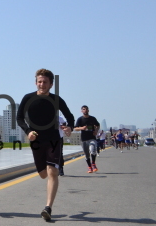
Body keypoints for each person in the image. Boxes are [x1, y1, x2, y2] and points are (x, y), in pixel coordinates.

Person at [17, 68, 74, 222]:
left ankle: (48, 207)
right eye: (39, 81)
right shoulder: (28, 98)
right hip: (36, 140)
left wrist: (70, 127)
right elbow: (19, 118)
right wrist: (28, 131)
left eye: (45, 82)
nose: (41, 84)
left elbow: (70, 117)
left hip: (53, 139)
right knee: (43, 174)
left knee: (52, 172)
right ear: (36, 82)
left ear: (51, 84)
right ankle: (48, 203)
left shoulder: (57, 99)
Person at [74, 105, 100, 173]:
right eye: (83, 109)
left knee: (92, 150)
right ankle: (89, 167)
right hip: (84, 139)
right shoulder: (80, 119)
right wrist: (81, 128)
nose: (85, 110)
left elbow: (98, 125)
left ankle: (93, 164)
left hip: (92, 138)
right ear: (81, 111)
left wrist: (96, 131)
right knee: (86, 154)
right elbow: (75, 128)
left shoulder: (92, 118)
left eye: (86, 109)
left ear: (88, 110)